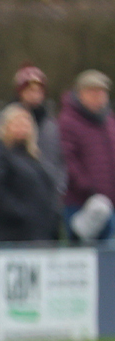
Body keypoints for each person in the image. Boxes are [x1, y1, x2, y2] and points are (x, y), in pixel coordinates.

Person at [0, 104, 61, 243]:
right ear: (5, 126)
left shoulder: (36, 158)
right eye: (17, 123)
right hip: (13, 234)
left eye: (26, 124)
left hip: (42, 233)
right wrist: (21, 213)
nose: (22, 128)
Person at [58, 69, 115, 243]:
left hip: (109, 204)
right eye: (94, 92)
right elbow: (67, 160)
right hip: (80, 204)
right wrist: (89, 189)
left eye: (102, 92)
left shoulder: (109, 122)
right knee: (84, 258)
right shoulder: (67, 122)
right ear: (80, 93)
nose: (99, 97)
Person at [8, 65, 65, 194]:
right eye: (30, 91)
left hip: (49, 193)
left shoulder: (51, 124)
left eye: (39, 91)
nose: (35, 95)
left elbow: (60, 160)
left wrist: (59, 187)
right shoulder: (7, 123)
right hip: (20, 194)